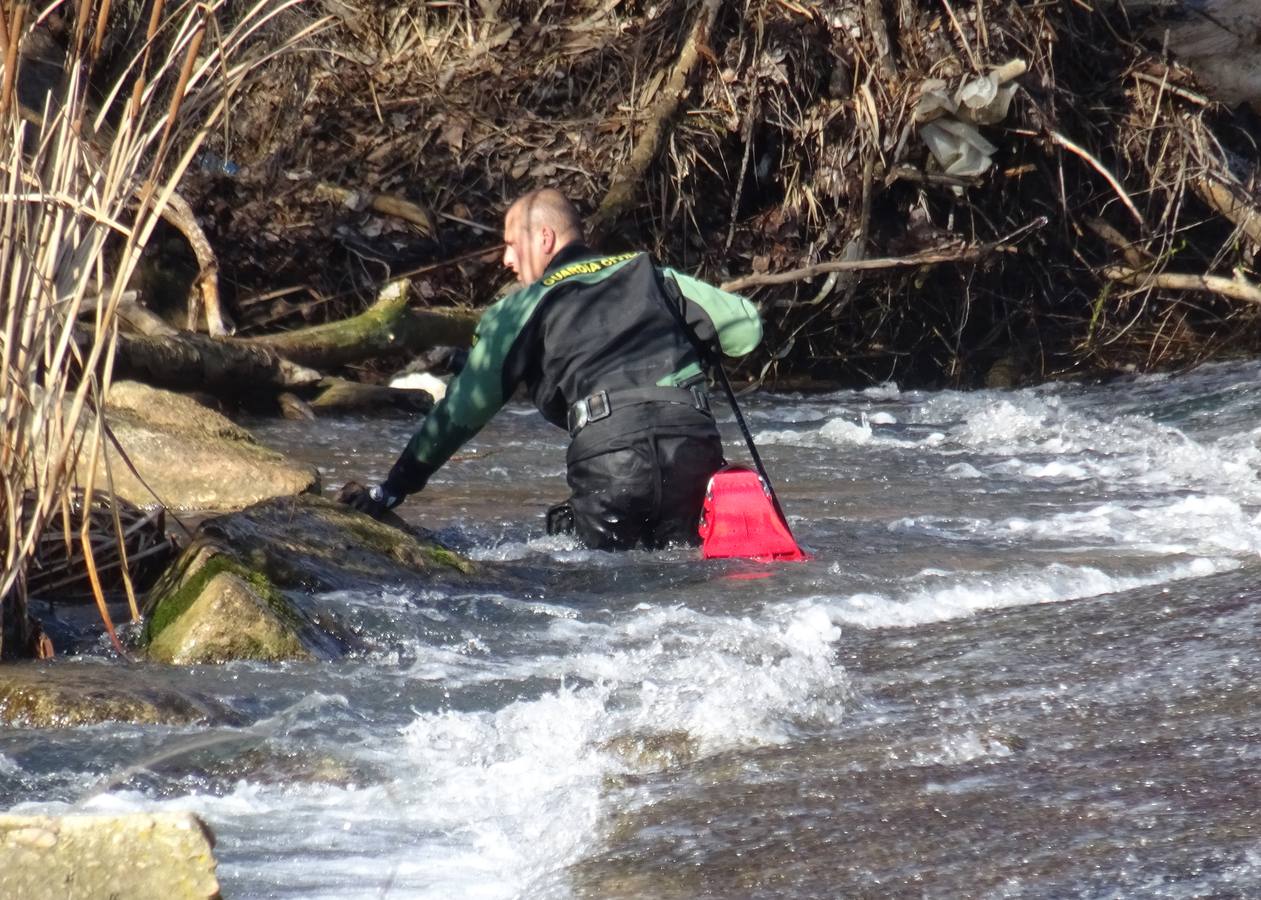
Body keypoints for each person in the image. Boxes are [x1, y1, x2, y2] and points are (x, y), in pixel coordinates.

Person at [342, 188, 762, 550]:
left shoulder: (520, 310)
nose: (506, 258)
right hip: (692, 452)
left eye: (510, 243)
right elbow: (746, 331)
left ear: (544, 238)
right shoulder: (654, 275)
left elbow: (460, 415)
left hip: (610, 459)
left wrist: (393, 488)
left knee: (608, 596)